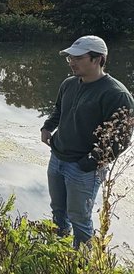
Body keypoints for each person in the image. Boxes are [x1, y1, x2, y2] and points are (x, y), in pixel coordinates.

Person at [40, 35, 134, 247]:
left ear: (98, 59)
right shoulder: (69, 84)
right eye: (70, 58)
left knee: (80, 219)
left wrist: (88, 164)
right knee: (58, 210)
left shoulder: (116, 94)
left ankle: (81, 266)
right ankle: (58, 250)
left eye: (78, 58)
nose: (72, 62)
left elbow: (121, 139)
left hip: (83, 169)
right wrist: (47, 127)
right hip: (57, 158)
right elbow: (59, 109)